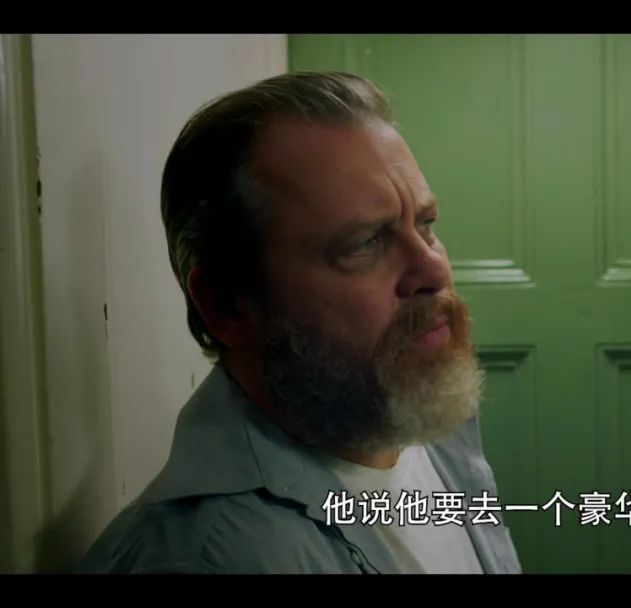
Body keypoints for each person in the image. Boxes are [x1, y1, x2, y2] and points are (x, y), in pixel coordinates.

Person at [77, 71, 521, 574]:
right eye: (365, 243)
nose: (434, 270)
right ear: (230, 307)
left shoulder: (409, 407)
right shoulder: (213, 557)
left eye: (425, 224)